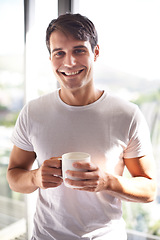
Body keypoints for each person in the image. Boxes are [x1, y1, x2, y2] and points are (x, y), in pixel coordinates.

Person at [7, 13, 157, 240]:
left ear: (95, 53)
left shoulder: (127, 114)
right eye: (59, 53)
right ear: (50, 59)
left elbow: (149, 190)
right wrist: (35, 177)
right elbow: (14, 176)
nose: (69, 62)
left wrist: (107, 182)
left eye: (79, 50)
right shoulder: (33, 112)